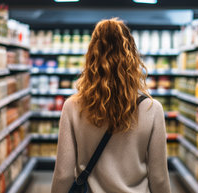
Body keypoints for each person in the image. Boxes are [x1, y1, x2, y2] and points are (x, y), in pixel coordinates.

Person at [51, 18, 171, 193]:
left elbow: (63, 174)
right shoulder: (152, 109)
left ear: (91, 55)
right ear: (132, 55)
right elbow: (159, 177)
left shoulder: (72, 106)